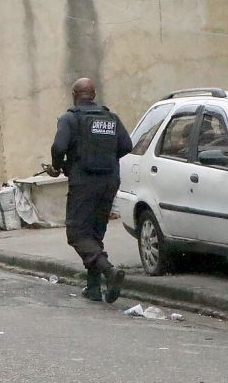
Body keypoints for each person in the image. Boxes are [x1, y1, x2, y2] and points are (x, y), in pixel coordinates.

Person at [47, 77, 133, 303]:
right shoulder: (111, 118)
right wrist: (104, 159)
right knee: (95, 233)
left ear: (74, 94)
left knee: (76, 233)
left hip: (84, 182)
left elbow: (58, 146)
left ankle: (109, 271)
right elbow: (127, 145)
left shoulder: (70, 118)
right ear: (93, 95)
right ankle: (93, 288)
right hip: (109, 181)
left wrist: (58, 166)